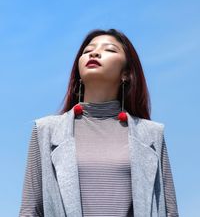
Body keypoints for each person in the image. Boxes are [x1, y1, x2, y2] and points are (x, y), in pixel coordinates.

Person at [19, 28, 179, 217]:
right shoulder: (45, 130)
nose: (94, 53)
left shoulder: (152, 134)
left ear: (126, 74)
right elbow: (30, 211)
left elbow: (169, 212)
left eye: (110, 50)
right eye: (87, 51)